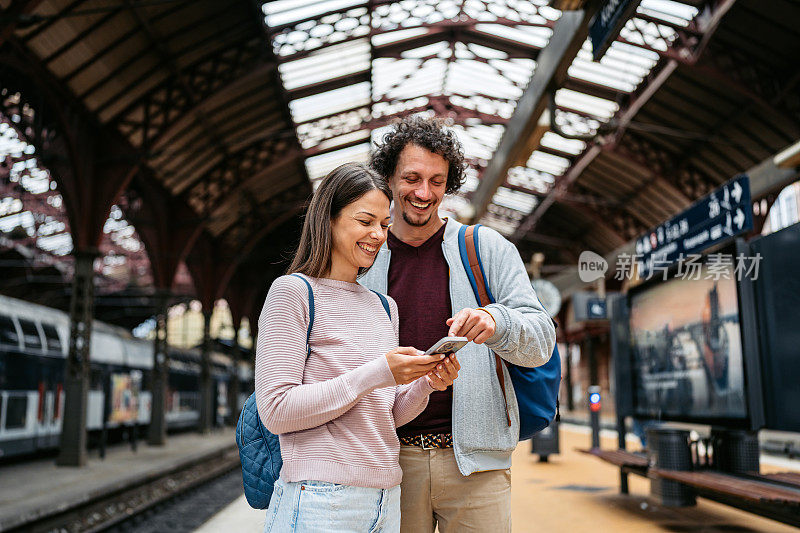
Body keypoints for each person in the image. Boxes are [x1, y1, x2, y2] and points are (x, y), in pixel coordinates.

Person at [360, 116, 557, 532]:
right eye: (411, 178)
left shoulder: (486, 249)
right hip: (387, 464)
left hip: (476, 467)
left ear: (449, 184)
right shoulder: (364, 257)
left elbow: (541, 340)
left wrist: (496, 320)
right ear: (389, 178)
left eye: (436, 181)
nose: (422, 192)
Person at [255, 162, 460, 532]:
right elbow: (277, 410)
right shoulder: (293, 294)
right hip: (319, 498)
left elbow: (385, 415)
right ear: (328, 219)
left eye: (384, 224)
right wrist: (379, 372)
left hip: (385, 499)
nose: (378, 235)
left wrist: (427, 384)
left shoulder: (384, 306)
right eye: (365, 221)